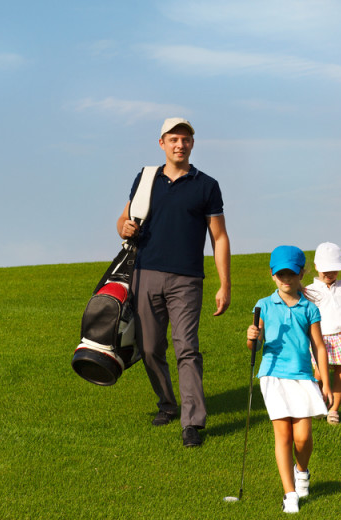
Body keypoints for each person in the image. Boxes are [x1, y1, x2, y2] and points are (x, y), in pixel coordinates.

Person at [117, 117, 231, 447]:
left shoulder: (206, 185)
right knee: (150, 348)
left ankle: (192, 422)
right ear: (162, 143)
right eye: (173, 139)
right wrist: (123, 226)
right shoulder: (145, 178)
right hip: (145, 273)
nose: (180, 144)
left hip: (187, 280)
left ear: (192, 144)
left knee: (187, 347)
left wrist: (225, 284)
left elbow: (219, 237)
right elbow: (123, 219)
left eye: (185, 139)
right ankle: (167, 404)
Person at [247, 245, 333, 514]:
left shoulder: (309, 308)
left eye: (291, 274)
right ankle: (290, 493)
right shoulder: (263, 306)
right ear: (272, 275)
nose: (286, 279)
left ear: (302, 273)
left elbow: (319, 346)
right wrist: (253, 338)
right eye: (281, 274)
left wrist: (326, 383)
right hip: (272, 376)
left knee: (303, 438)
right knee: (283, 434)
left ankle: (302, 471)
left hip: (303, 377)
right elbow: (256, 346)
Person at [305, 242, 341, 425]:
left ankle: (333, 409)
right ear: (316, 267)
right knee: (319, 375)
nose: (328, 274)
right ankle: (317, 404)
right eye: (325, 270)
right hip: (320, 338)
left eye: (333, 270)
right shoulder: (310, 289)